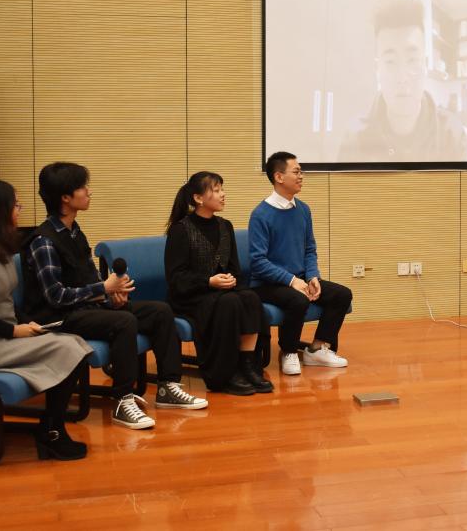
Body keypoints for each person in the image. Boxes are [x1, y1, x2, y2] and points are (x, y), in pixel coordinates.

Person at [22, 162, 207, 430]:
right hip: (56, 318)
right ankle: (122, 400)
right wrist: (103, 290)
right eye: (82, 187)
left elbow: (88, 282)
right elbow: (55, 296)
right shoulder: (44, 240)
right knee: (123, 322)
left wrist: (110, 297)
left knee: (160, 311)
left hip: (85, 310)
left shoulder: (75, 232)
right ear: (65, 198)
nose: (89, 191)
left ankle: (168, 386)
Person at [0, 179, 93, 460]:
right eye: (15, 205)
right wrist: (13, 331)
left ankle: (51, 427)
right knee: (70, 349)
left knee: (75, 344)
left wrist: (28, 324)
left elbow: (6, 302)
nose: (19, 210)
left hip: (3, 336)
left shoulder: (0, 248)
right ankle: (52, 432)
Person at [165, 172, 272, 395]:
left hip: (221, 293)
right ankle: (225, 373)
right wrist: (208, 281)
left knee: (250, 298)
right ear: (198, 198)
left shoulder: (225, 226)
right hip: (190, 297)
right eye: (216, 190)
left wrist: (231, 279)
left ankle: (247, 365)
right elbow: (176, 278)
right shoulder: (180, 230)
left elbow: (234, 268)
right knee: (230, 302)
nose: (223, 194)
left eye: (222, 189)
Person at [250, 152, 352, 375]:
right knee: (298, 300)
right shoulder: (261, 214)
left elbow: (309, 249)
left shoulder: (303, 210)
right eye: (296, 172)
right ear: (279, 177)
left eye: (301, 171)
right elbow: (258, 262)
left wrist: (312, 276)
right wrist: (292, 280)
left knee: (342, 294)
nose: (301, 176)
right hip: (267, 284)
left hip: (299, 278)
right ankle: (288, 351)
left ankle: (317, 349)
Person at [338, 0, 467, 163]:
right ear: (378, 69)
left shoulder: (452, 136)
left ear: (425, 66)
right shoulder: (354, 140)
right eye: (390, 62)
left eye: (412, 60)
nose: (402, 78)